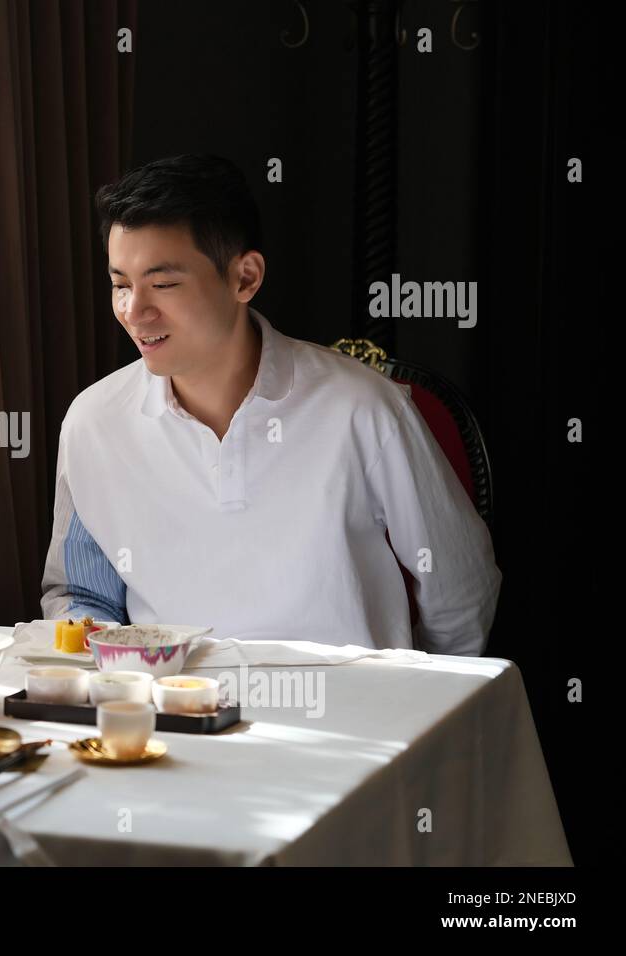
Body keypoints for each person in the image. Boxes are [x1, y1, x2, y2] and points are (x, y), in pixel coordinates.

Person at [40, 154, 500, 654]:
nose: (135, 311)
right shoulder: (94, 422)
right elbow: (82, 595)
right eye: (120, 285)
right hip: (173, 717)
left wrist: (422, 712)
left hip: (350, 718)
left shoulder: (363, 409)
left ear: (245, 278)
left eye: (164, 284)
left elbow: (460, 591)